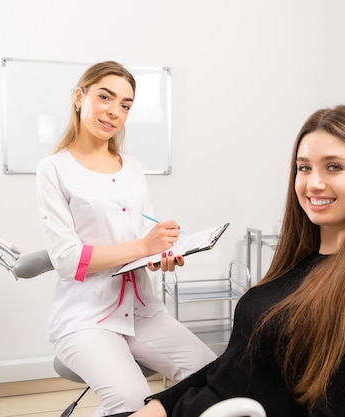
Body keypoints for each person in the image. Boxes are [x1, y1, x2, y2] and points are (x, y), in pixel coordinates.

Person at [128, 105, 345, 417]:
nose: (314, 184)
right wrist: (160, 406)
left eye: (334, 167)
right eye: (304, 168)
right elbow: (233, 363)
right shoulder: (299, 264)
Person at [36, 61, 216, 417]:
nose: (115, 111)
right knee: (132, 400)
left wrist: (162, 251)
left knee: (210, 375)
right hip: (85, 316)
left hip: (140, 310)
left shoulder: (132, 166)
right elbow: (68, 259)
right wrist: (142, 247)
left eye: (125, 105)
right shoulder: (54, 169)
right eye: (105, 97)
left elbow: (144, 232)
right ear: (79, 97)